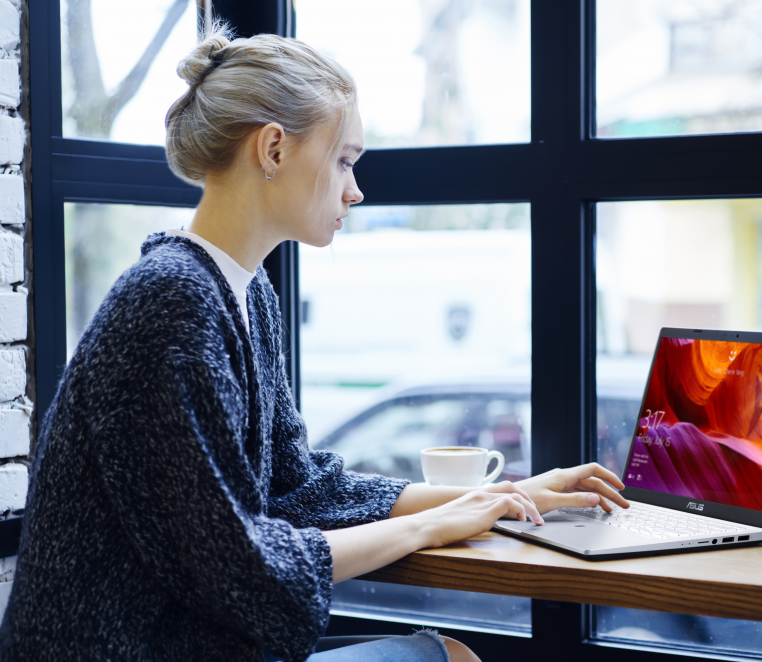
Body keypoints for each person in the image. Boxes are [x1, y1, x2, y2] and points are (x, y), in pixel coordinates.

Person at [0, 25, 628, 662]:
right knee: (450, 658)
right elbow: (241, 567)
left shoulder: (244, 294)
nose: (355, 190)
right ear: (273, 148)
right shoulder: (170, 302)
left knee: (448, 654)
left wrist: (493, 498)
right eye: (344, 160)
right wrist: (428, 524)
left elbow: (296, 489)